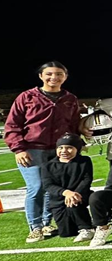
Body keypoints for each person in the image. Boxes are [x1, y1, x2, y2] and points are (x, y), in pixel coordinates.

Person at [5, 61, 83, 243]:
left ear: (65, 77)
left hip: (59, 149)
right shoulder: (27, 97)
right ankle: (35, 226)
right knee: (36, 187)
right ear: (41, 76)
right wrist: (19, 149)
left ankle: (47, 222)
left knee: (52, 188)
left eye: (58, 74)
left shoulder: (70, 98)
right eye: (49, 74)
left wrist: (78, 141)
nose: (53, 78)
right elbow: (12, 125)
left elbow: (73, 125)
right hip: (32, 149)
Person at [41, 133, 94, 242]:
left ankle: (87, 228)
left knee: (74, 203)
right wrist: (66, 193)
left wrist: (75, 194)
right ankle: (79, 223)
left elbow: (86, 180)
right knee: (66, 233)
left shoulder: (84, 161)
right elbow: (48, 185)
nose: (64, 151)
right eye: (60, 148)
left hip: (80, 195)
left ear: (77, 149)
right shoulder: (48, 165)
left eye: (69, 148)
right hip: (59, 200)